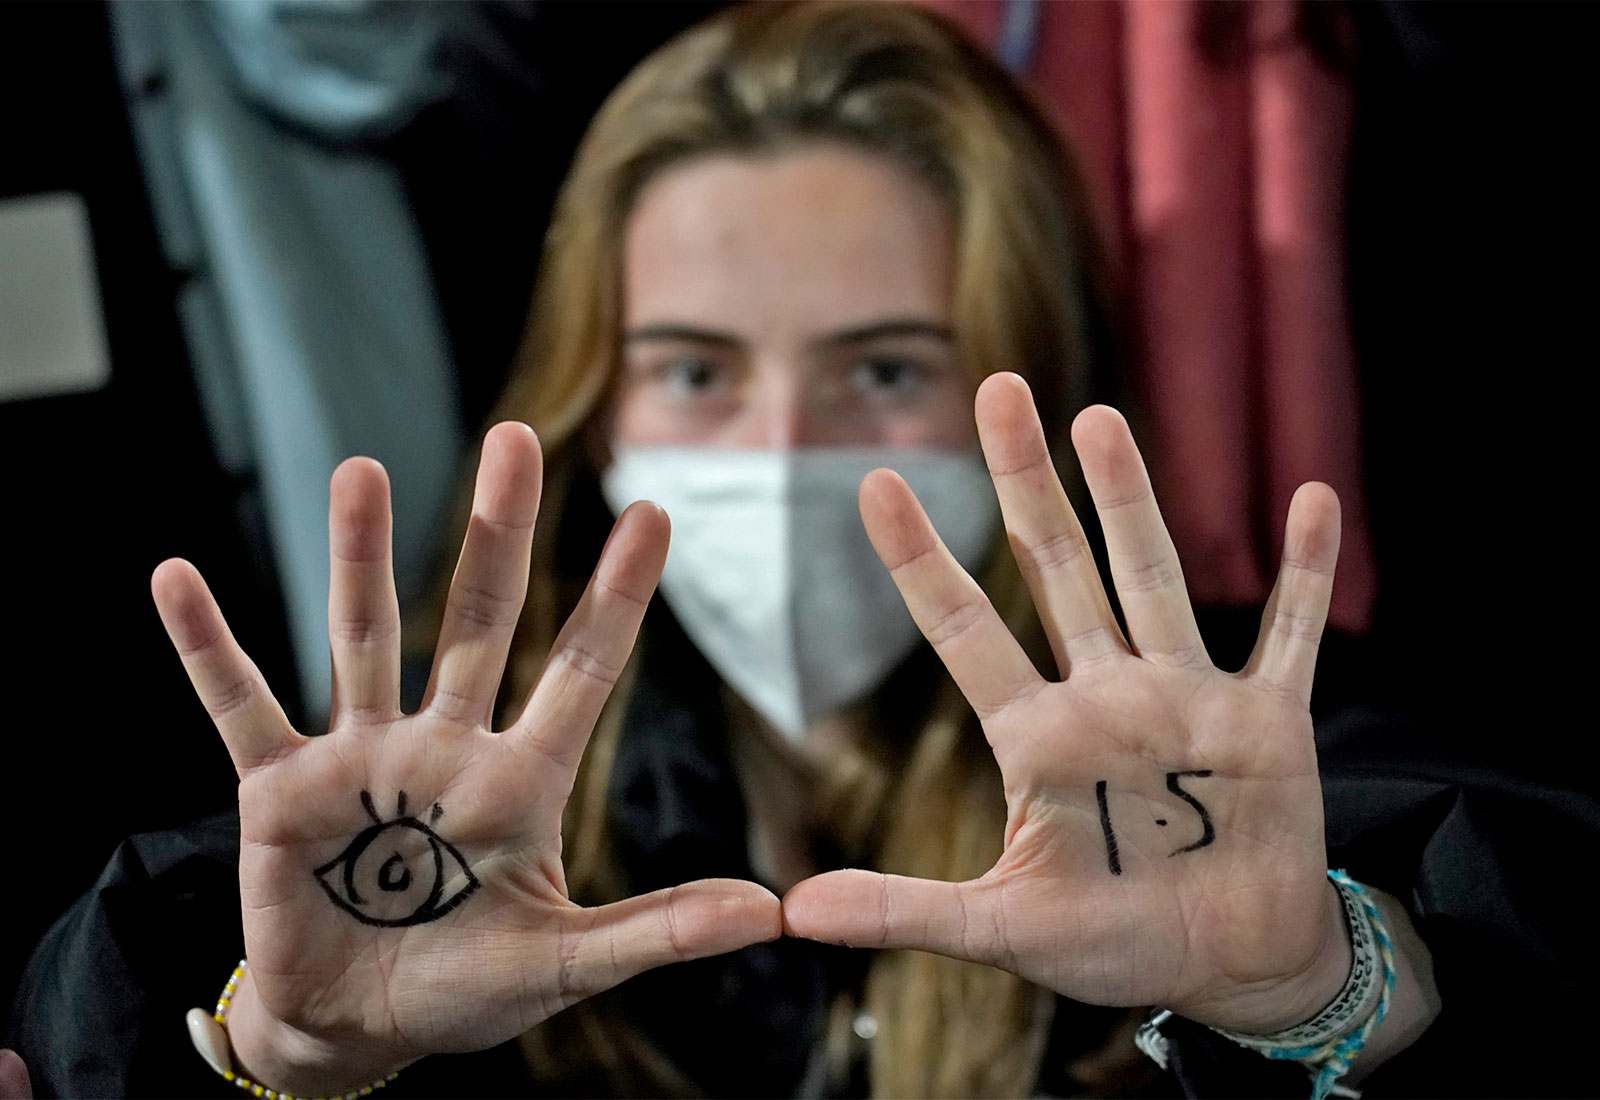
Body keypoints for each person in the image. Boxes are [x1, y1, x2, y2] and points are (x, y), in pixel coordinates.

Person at [15, 2, 1584, 1097]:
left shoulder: (1253, 770)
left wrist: (1338, 991)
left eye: (887, 367)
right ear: (592, 407)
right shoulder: (415, 824)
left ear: (1027, 387)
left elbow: (1520, 921)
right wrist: (269, 1059)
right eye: (697, 370)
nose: (779, 450)